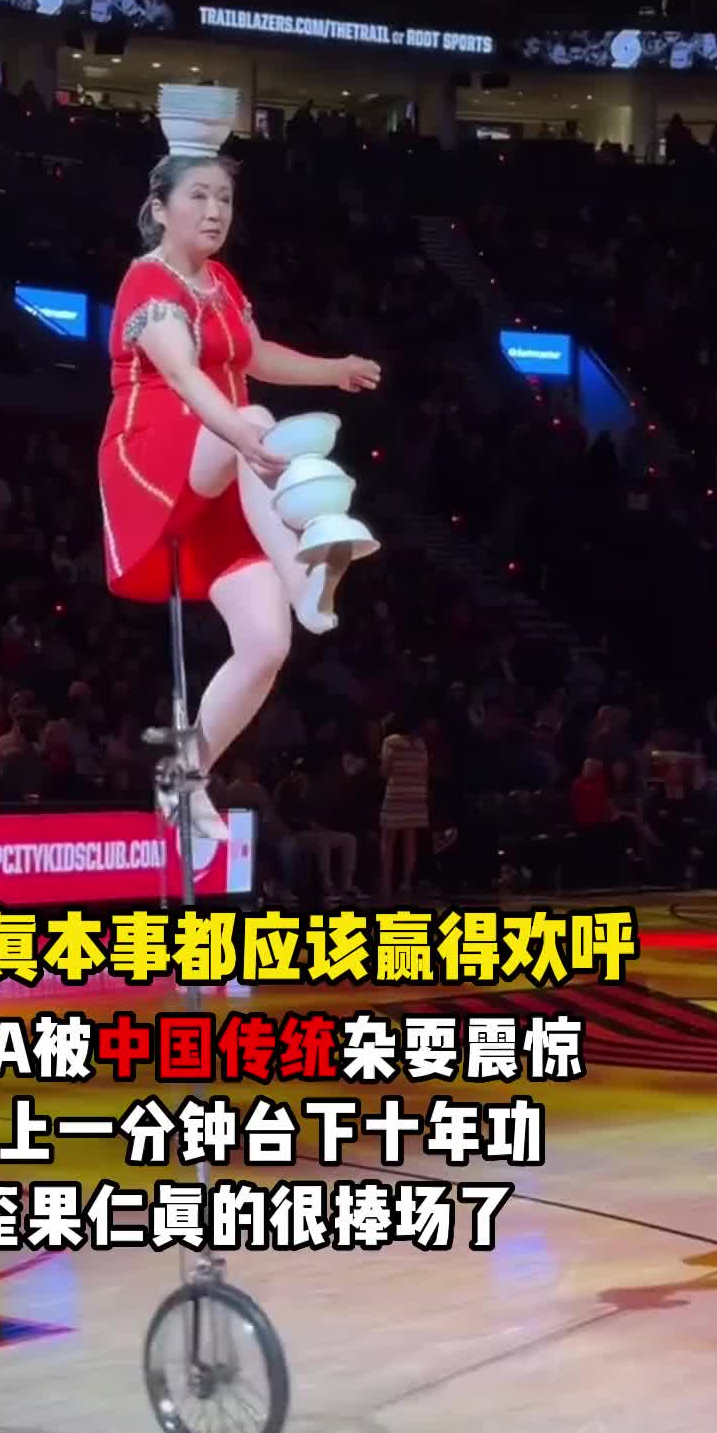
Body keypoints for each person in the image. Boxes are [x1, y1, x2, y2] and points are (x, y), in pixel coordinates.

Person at [98, 84, 381, 841]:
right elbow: (188, 381)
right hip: (155, 452)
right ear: (159, 208)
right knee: (252, 416)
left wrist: (333, 370)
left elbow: (253, 356)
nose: (216, 211)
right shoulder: (147, 282)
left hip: (230, 465)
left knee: (266, 644)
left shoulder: (221, 282)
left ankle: (184, 775)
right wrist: (244, 432)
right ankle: (308, 574)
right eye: (199, 196)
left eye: (224, 197)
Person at [379, 699, 430, 898]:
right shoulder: (420, 744)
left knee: (388, 841)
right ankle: (406, 882)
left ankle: (386, 883)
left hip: (396, 794)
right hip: (416, 795)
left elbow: (385, 771)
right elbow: (425, 769)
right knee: (410, 841)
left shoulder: (390, 742)